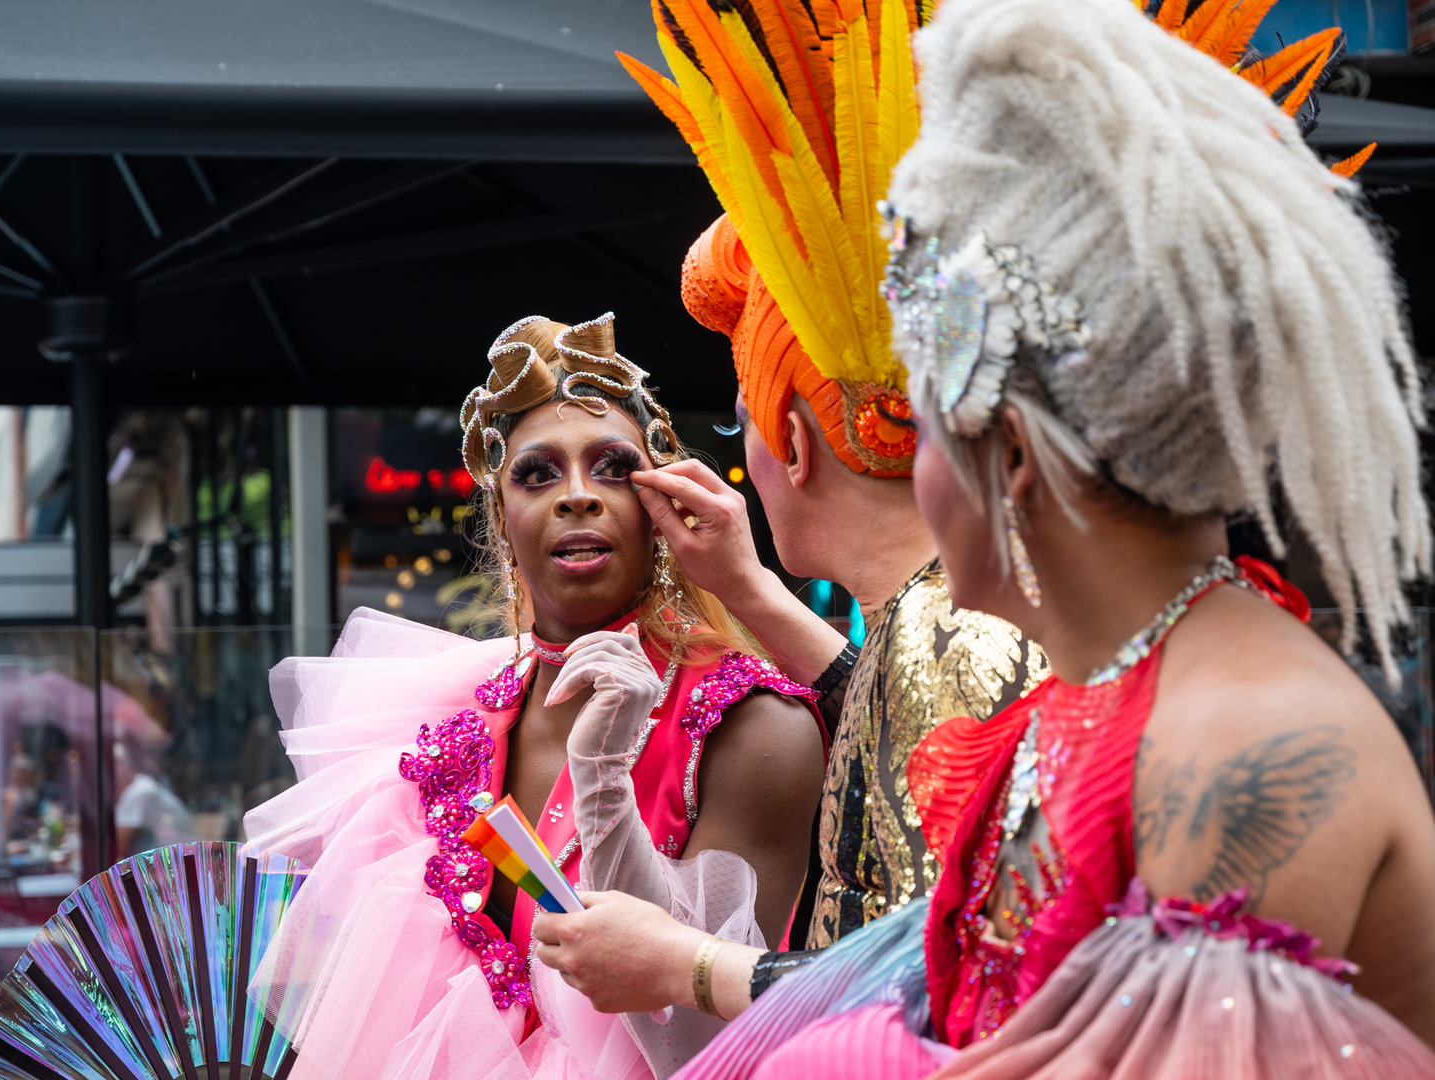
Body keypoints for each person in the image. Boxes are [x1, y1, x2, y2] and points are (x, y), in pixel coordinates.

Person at [581, 0, 1435, 1074]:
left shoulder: (1242, 746)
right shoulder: (1091, 707)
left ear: (1014, 461)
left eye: (924, 431)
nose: (903, 472)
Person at [533, 0, 1044, 1027]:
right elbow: (905, 731)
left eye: (748, 429)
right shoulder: (930, 627)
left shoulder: (949, 637)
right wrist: (749, 588)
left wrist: (683, 964)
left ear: (796, 445)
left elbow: (940, 990)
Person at [241, 313, 825, 1080]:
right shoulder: (441, 728)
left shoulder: (753, 726)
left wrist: (606, 787)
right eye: (536, 473)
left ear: (660, 509)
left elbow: (706, 1039)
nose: (576, 495)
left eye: (613, 467)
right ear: (501, 516)